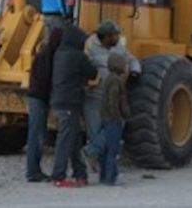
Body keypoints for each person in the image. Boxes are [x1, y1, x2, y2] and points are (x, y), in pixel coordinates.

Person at [50, 25, 98, 188]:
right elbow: (93, 73)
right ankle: (58, 176)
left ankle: (80, 174)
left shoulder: (59, 54)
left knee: (73, 138)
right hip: (70, 102)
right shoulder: (77, 56)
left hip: (59, 101)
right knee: (65, 140)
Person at [84, 21, 141, 146]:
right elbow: (82, 64)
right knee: (95, 131)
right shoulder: (89, 46)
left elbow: (131, 59)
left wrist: (135, 71)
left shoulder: (118, 47)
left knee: (115, 127)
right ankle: (94, 156)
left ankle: (102, 156)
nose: (118, 37)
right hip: (94, 97)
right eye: (116, 34)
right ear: (107, 36)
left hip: (113, 97)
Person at [82, 52, 130, 186]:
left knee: (106, 149)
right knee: (112, 151)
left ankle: (103, 177)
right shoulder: (117, 81)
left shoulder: (108, 78)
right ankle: (110, 178)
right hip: (114, 119)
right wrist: (120, 116)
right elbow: (115, 100)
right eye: (124, 63)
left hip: (106, 117)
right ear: (119, 65)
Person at [25, 27, 63, 182]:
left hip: (35, 97)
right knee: (37, 135)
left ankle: (33, 170)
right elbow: (48, 81)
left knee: (36, 133)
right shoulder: (48, 57)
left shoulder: (43, 53)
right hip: (39, 98)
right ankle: (33, 172)